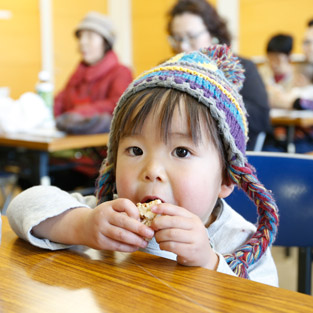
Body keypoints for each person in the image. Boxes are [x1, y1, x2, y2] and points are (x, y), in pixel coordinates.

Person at [7, 45, 279, 285]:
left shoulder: (240, 240)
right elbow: (21, 208)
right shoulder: (110, 217)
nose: (152, 170)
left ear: (226, 179)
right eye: (135, 150)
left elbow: (267, 303)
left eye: (181, 151)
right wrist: (82, 226)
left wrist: (210, 263)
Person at [18, 11, 133, 192]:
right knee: (25, 172)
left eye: (90, 36)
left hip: (96, 159)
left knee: (38, 177)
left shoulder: (121, 72)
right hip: (68, 153)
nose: (82, 43)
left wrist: (79, 114)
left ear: (105, 42)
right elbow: (59, 102)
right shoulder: (79, 72)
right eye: (80, 37)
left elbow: (116, 105)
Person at [166, 0, 272, 151]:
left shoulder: (239, 67)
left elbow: (260, 118)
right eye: (177, 38)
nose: (183, 46)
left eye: (191, 36)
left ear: (212, 33)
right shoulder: (167, 69)